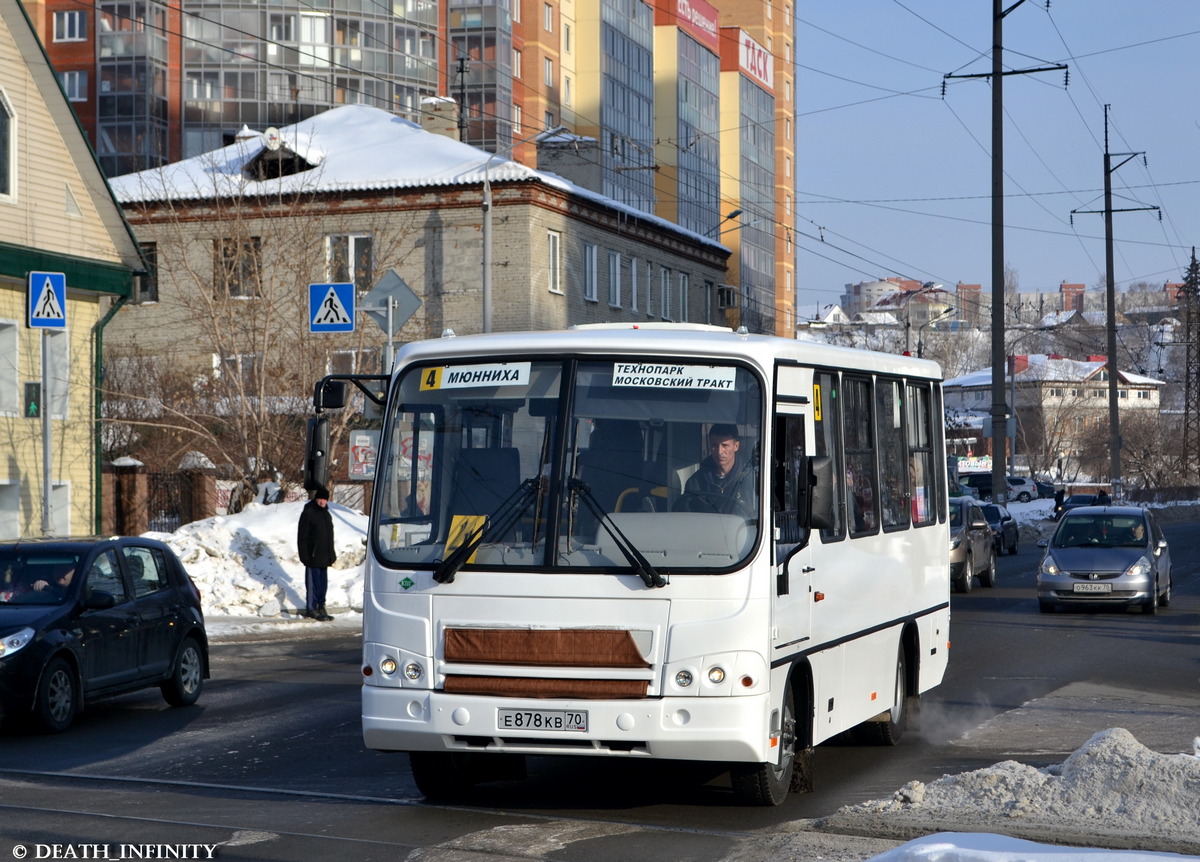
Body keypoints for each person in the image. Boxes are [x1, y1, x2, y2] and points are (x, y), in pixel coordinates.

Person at [680, 423, 756, 518]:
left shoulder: (751, 480)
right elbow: (685, 518)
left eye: (725, 445)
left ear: (736, 446)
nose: (719, 451)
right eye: (714, 445)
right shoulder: (695, 482)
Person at [297, 487, 337, 621]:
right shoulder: (308, 513)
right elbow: (302, 537)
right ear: (316, 498)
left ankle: (321, 606)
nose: (322, 502)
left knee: (322, 584)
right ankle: (311, 608)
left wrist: (331, 554)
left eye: (325, 499)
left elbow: (329, 536)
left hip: (324, 556)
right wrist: (304, 556)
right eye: (320, 499)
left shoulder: (326, 514)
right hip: (312, 557)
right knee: (313, 584)